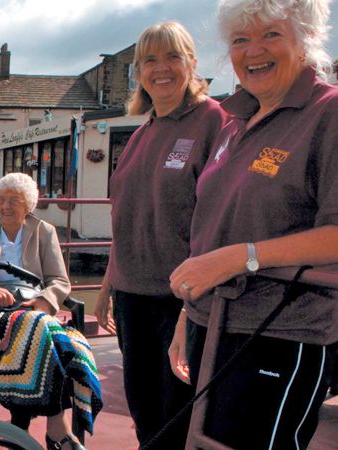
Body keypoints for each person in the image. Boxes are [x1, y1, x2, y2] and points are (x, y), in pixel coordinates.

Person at [167, 1, 338, 448]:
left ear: (306, 39)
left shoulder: (329, 115)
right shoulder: (235, 121)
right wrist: (190, 313)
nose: (253, 50)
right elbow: (212, 227)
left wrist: (242, 258)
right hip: (215, 323)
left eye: (271, 35)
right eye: (241, 39)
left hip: (281, 331)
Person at [91, 21, 227, 449]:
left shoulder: (213, 122)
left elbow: (220, 217)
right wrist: (107, 285)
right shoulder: (141, 132)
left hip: (182, 300)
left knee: (177, 418)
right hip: (132, 298)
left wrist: (190, 302)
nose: (161, 68)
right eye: (150, 59)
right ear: (139, 72)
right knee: (144, 413)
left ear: (192, 63)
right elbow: (127, 216)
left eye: (173, 56)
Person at [0, 172, 101, 450]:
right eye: (2, 200)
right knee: (49, 336)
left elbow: (60, 280)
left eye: (14, 201)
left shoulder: (44, 231)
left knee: (60, 342)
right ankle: (58, 429)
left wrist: (45, 300)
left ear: (28, 205)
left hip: (33, 306)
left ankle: (21, 422)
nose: (6, 206)